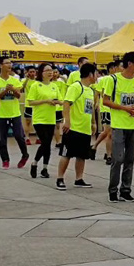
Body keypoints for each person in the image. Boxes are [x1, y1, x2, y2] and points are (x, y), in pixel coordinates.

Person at [102, 52, 134, 201]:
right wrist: (124, 108)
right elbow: (105, 101)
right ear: (129, 64)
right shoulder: (113, 80)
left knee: (129, 159)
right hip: (119, 124)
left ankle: (126, 189)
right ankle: (113, 190)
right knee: (118, 158)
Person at [56, 62, 97, 190]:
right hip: (73, 128)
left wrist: (93, 122)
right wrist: (67, 121)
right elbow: (66, 104)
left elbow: (91, 109)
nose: (97, 76)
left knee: (82, 155)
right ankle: (60, 178)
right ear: (90, 74)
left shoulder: (90, 90)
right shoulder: (76, 87)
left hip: (85, 128)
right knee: (67, 154)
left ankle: (79, 179)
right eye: (96, 73)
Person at [0, 56, 29, 169]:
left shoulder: (15, 80)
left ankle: (25, 155)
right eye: (6, 63)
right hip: (1, 113)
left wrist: (13, 90)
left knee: (19, 136)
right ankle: (5, 160)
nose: (9, 65)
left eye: (10, 63)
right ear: (0, 65)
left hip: (15, 113)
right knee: (2, 138)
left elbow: (18, 96)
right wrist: (6, 90)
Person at [27, 63, 61, 180]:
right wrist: (46, 101)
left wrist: (58, 102)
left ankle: (45, 168)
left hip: (50, 118)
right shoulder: (36, 85)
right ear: (41, 73)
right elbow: (30, 102)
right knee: (45, 142)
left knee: (48, 145)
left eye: (51, 70)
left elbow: (59, 99)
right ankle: (35, 163)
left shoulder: (54, 86)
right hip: (39, 119)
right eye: (47, 70)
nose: (50, 72)